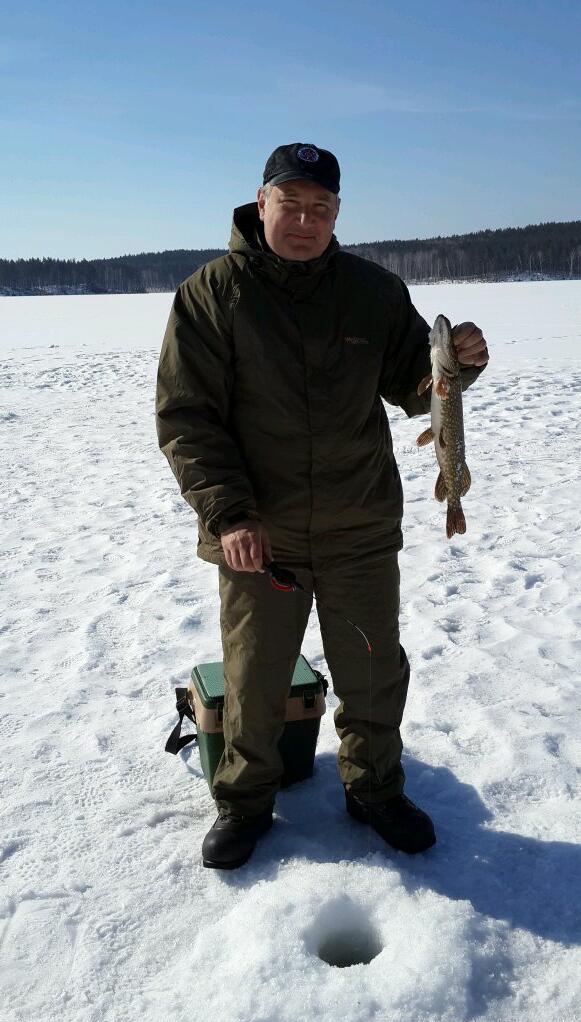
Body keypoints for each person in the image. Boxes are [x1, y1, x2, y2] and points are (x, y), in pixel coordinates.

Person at [156, 143, 489, 870]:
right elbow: (187, 419)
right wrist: (228, 514)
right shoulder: (211, 295)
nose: (304, 222)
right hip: (258, 533)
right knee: (254, 675)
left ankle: (374, 787)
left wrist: (458, 363)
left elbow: (415, 383)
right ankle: (244, 801)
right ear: (261, 202)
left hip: (357, 522)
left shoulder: (372, 291)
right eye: (291, 204)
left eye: (321, 208)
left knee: (373, 668)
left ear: (337, 213)